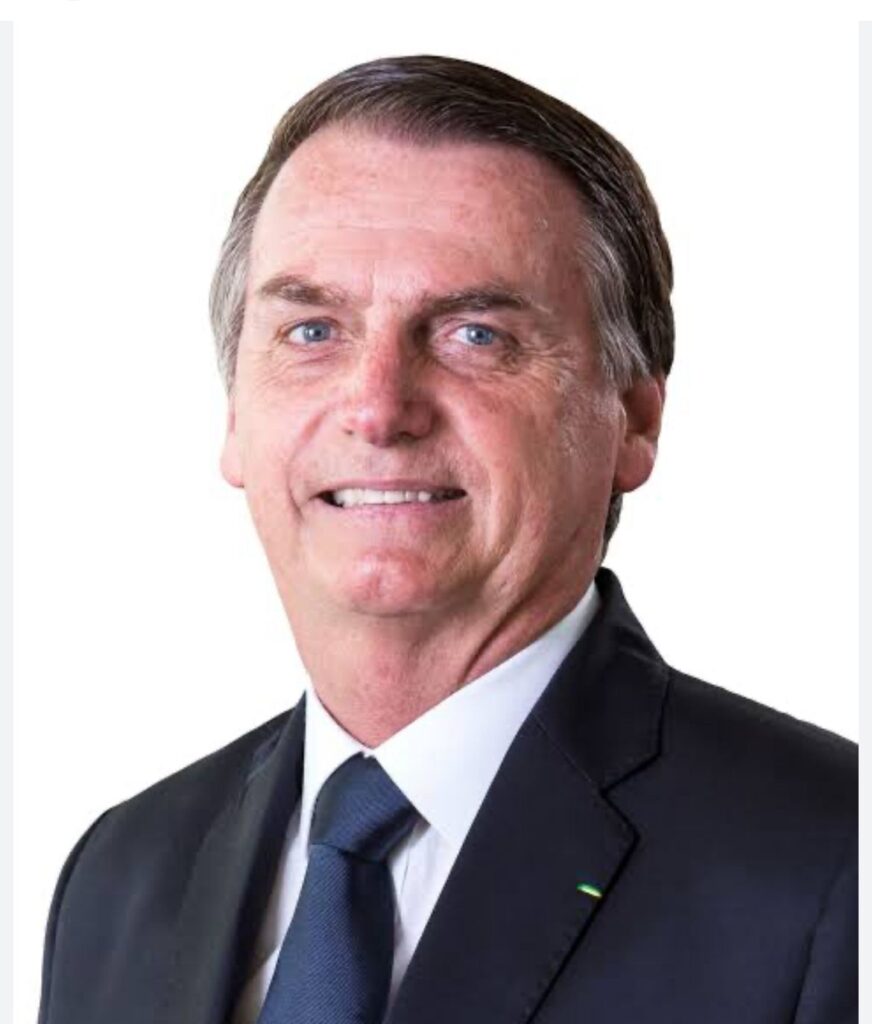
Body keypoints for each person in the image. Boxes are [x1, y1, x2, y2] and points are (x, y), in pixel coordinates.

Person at [37, 55, 857, 1024]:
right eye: (312, 331)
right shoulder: (120, 876)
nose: (378, 408)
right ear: (234, 416)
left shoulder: (834, 869)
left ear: (633, 421)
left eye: (475, 334)